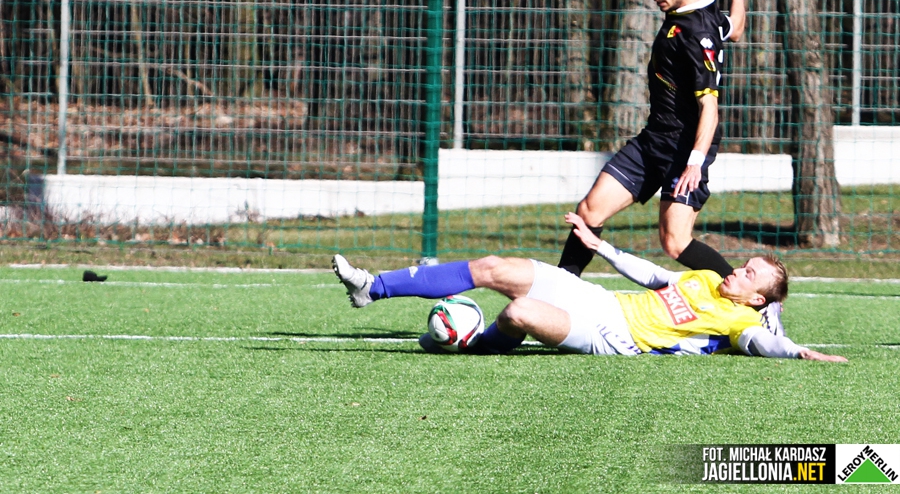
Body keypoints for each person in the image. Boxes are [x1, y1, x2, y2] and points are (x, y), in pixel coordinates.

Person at [330, 213, 846, 362]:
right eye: (745, 265)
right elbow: (654, 275)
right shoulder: (709, 279)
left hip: (611, 338)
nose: (738, 271)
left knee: (519, 313)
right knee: (493, 267)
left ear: (757, 299)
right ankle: (371, 287)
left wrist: (797, 351)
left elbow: (761, 343)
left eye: (750, 274)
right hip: (601, 300)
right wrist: (602, 248)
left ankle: (469, 342)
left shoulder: (740, 321)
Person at [558, 0, 755, 279]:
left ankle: (750, 297)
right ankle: (560, 289)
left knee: (675, 242)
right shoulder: (701, 10)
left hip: (685, 148)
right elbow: (734, 29)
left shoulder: (697, 34)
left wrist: (695, 161)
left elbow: (709, 106)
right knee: (589, 212)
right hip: (654, 138)